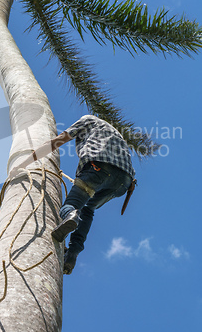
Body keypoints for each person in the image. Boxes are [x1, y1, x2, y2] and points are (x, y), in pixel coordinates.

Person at [9, 115, 136, 275]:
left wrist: (23, 164)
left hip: (99, 167)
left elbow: (57, 142)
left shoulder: (88, 120)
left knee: (72, 206)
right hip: (124, 182)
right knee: (88, 208)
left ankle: (70, 215)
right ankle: (73, 253)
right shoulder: (116, 135)